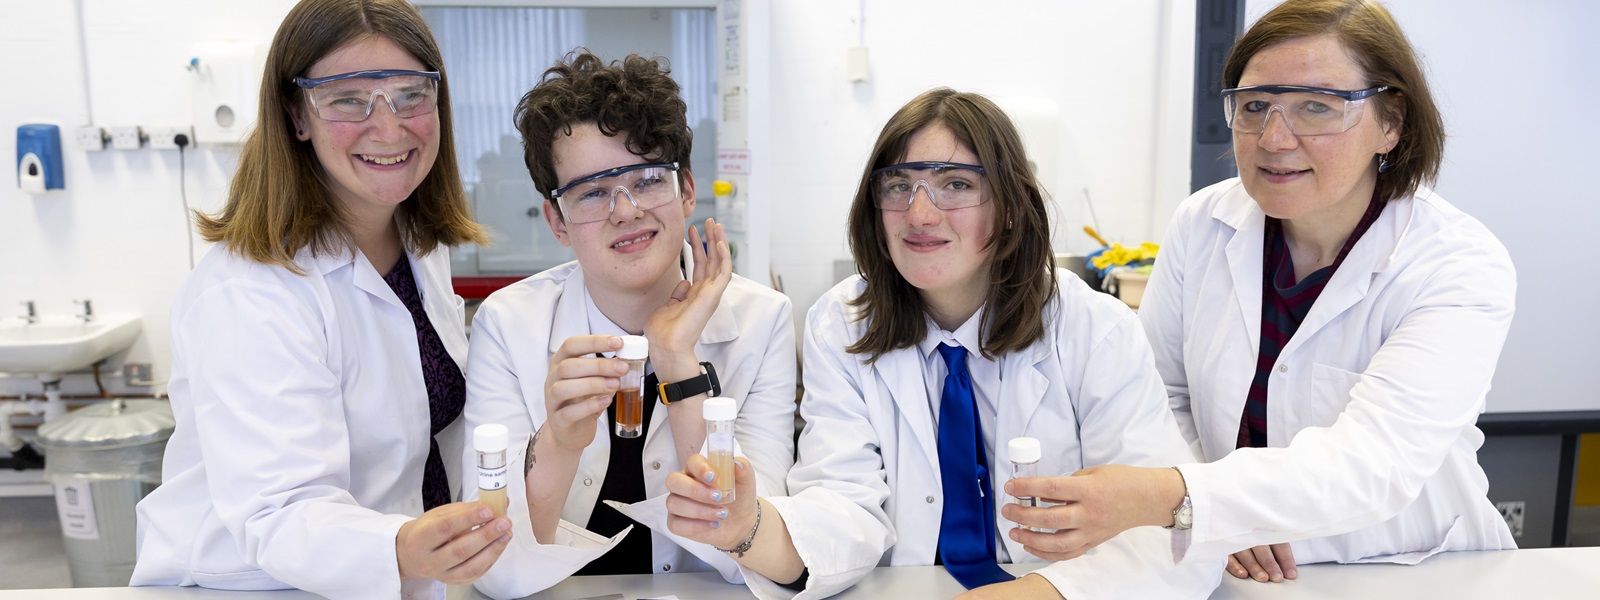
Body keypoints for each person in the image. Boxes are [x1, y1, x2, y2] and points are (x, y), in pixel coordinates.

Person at [1002, 0, 1518, 585]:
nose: (1274, 138)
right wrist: (1217, 519)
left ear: (1391, 122)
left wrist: (1183, 501)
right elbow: (1163, 398)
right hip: (1232, 567)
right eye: (1253, 107)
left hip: (1406, 569)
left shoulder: (1455, 263)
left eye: (1316, 108)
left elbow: (1374, 465)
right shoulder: (1202, 224)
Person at [660, 88, 1222, 599]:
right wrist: (749, 528)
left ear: (1008, 209)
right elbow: (842, 504)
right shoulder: (843, 322)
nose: (919, 214)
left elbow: (1163, 527)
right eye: (899, 186)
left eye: (956, 185)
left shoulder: (1094, 326)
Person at [131, 0, 509, 597]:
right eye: (346, 99)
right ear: (296, 114)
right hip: (250, 584)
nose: (388, 127)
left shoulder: (417, 246)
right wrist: (398, 546)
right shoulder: (249, 291)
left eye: (412, 93)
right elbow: (278, 512)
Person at [459, 51, 797, 599]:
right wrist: (560, 442)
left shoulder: (763, 322)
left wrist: (680, 366)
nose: (625, 210)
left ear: (686, 190)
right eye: (591, 192)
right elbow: (491, 569)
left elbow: (751, 554)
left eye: (645, 180)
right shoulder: (507, 324)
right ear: (556, 221)